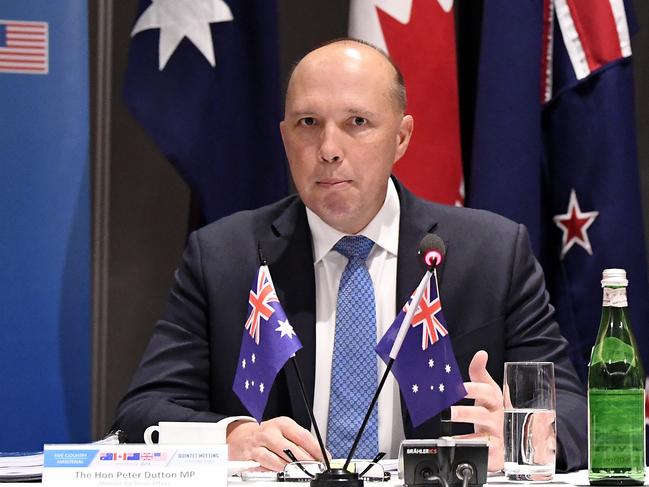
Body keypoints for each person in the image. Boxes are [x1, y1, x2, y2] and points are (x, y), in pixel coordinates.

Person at [114, 38, 587, 472]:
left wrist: (526, 437)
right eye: (308, 124)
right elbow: (144, 409)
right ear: (285, 138)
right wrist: (233, 435)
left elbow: (572, 407)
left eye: (356, 123)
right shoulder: (223, 257)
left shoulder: (491, 254)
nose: (328, 149)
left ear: (401, 138)